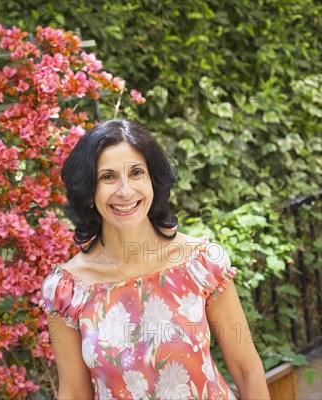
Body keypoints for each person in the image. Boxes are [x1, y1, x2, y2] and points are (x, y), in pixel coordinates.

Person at [39, 119, 269, 399]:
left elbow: (248, 370)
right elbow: (74, 393)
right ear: (89, 192)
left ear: (153, 180)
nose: (125, 191)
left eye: (136, 172)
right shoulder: (67, 290)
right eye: (107, 177)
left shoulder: (201, 264)